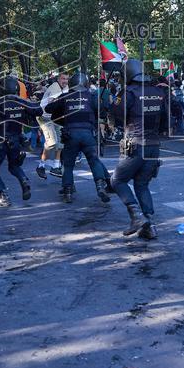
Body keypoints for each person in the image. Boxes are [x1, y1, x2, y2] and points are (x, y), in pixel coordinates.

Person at [110, 59, 169, 240]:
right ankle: (149, 226)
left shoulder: (128, 93)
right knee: (142, 184)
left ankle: (136, 216)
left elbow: (117, 115)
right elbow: (166, 121)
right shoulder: (159, 92)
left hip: (135, 145)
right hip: (153, 146)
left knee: (117, 181)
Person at [45, 71, 111, 204]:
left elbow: (48, 109)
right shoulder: (92, 96)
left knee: (68, 164)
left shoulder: (65, 96)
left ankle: (68, 191)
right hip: (88, 134)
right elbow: (103, 111)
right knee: (94, 161)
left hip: (71, 134)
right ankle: (100, 187)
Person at [0, 75, 44, 207]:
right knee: (14, 166)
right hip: (16, 139)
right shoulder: (21, 101)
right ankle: (24, 180)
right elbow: (38, 111)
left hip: (0, 141)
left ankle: (3, 196)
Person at [36, 72, 68, 179]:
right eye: (63, 79)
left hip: (56, 117)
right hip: (45, 116)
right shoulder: (54, 88)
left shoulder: (66, 87)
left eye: (67, 79)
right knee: (52, 142)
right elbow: (51, 106)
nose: (65, 81)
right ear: (58, 79)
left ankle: (56, 166)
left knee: (61, 141)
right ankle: (41, 166)